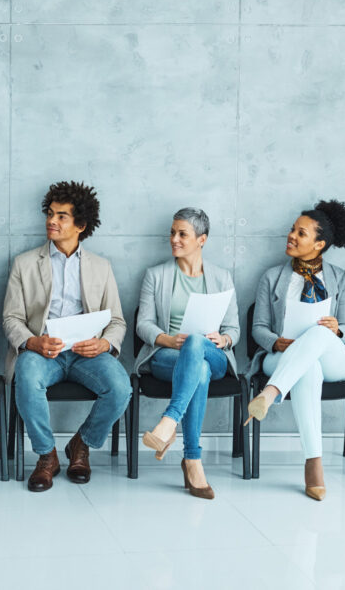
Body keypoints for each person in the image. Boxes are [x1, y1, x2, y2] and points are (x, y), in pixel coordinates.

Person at [3, 181, 131, 492]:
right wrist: (33, 342)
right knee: (26, 375)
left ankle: (81, 444)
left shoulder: (101, 267)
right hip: (42, 351)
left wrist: (104, 343)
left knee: (120, 387)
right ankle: (47, 456)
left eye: (62, 216)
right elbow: (11, 318)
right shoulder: (24, 263)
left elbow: (117, 321)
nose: (52, 221)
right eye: (50, 214)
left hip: (88, 353)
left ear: (81, 225)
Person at [245, 200, 345, 501]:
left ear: (319, 244)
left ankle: (269, 393)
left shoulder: (340, 278)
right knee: (308, 367)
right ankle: (314, 462)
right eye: (292, 229)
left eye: (301, 233)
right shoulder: (272, 277)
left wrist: (337, 329)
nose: (291, 235)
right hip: (283, 356)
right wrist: (275, 341)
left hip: (334, 357)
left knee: (320, 332)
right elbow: (258, 328)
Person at [135, 208, 239, 500]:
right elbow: (143, 324)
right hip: (167, 356)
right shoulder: (156, 275)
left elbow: (235, 328)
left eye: (182, 234)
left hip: (214, 354)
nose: (174, 239)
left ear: (201, 239)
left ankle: (169, 422)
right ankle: (192, 459)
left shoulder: (222, 277)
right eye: (172, 233)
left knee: (199, 348)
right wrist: (168, 339)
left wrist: (224, 337)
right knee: (200, 371)